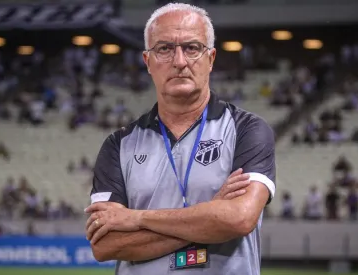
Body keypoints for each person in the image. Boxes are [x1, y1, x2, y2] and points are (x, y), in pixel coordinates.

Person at [84, 3, 276, 275]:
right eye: (164, 49)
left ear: (211, 58)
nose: (179, 61)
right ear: (147, 61)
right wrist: (210, 216)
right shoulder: (118, 145)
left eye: (192, 48)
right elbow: (105, 245)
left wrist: (137, 218)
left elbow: (240, 219)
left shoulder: (248, 130)